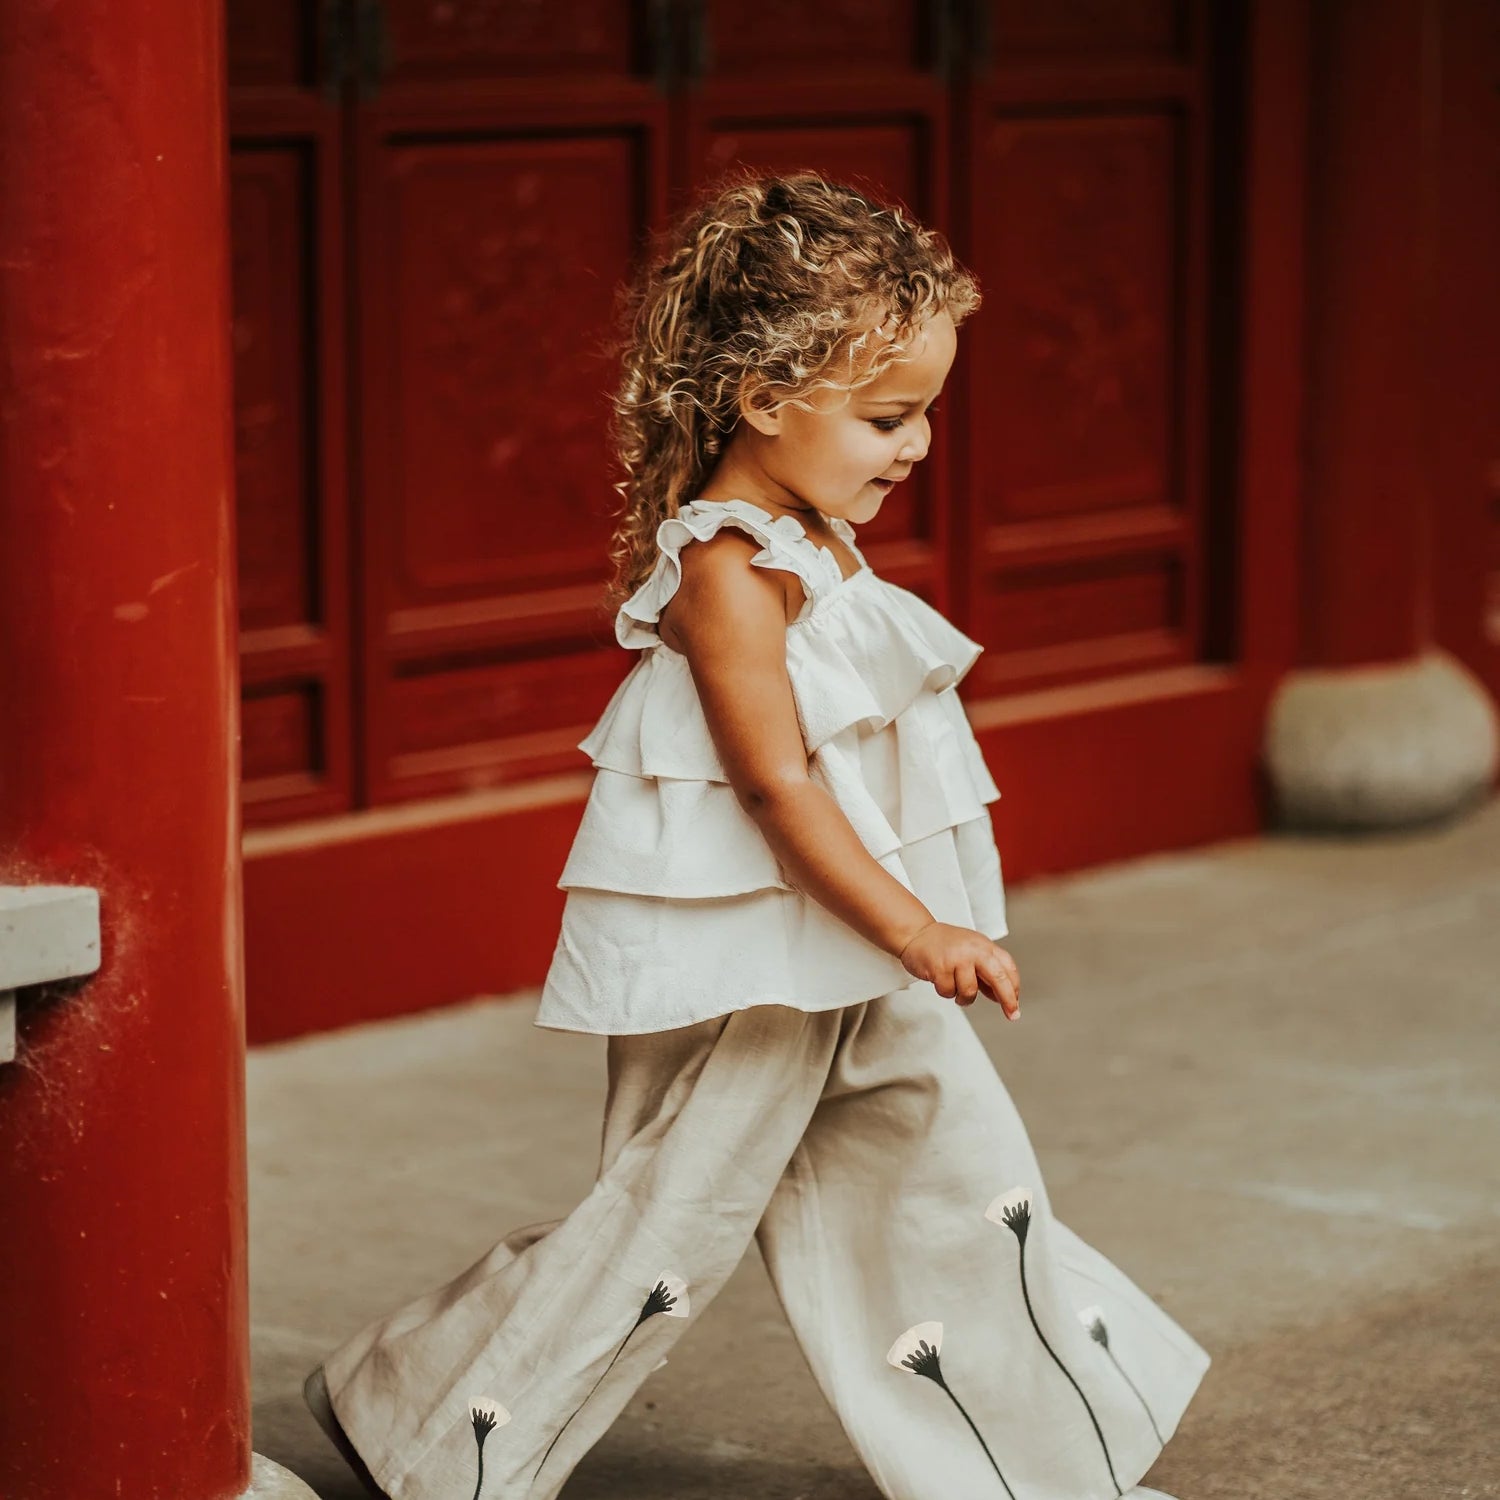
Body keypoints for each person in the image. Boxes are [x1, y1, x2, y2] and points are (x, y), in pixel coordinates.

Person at [303, 171, 1209, 1500]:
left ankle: (1040, 1474)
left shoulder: (812, 532)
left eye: (928, 416)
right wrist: (917, 926)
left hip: (839, 947)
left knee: (958, 1174)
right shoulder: (728, 572)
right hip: (755, 966)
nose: (915, 447)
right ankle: (432, 1435)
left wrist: (896, 929)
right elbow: (778, 788)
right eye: (888, 416)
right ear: (766, 400)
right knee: (665, 1224)